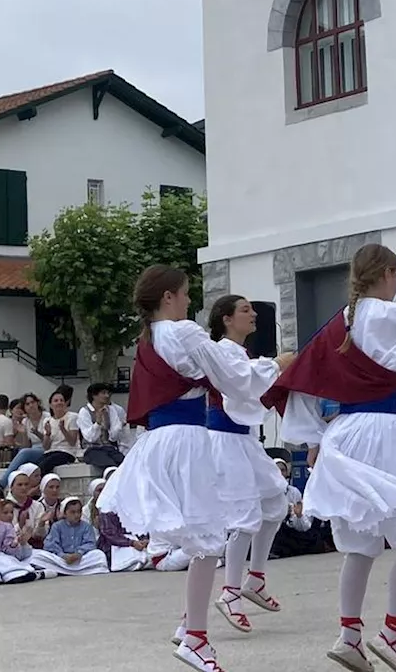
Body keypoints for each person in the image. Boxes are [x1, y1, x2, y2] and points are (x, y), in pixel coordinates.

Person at [269, 242, 396, 672]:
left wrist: (316, 439)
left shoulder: (338, 324)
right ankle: (393, 633)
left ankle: (350, 635)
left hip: (342, 436)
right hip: (381, 432)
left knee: (360, 541)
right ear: (390, 273)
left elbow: (304, 384)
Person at [97, 265, 293, 672]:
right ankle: (195, 636)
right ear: (168, 296)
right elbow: (235, 379)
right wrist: (278, 365)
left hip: (164, 440)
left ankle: (192, 627)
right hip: (184, 440)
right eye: (185, 293)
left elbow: (220, 372)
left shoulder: (151, 337)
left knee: (206, 539)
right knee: (207, 540)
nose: (190, 301)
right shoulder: (182, 332)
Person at [206, 295, 293, 631]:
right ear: (227, 319)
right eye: (245, 309)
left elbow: (252, 383)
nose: (253, 313)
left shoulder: (239, 353)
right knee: (244, 516)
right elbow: (243, 379)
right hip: (226, 440)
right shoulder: (223, 351)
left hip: (242, 439)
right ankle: (229, 591)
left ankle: (254, 578)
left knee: (275, 501)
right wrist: (277, 364)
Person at [0, 489, 36, 586]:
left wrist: (14, 544)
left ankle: (15, 575)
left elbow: (7, 549)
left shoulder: (6, 526)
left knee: (7, 562)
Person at [40, 495, 109, 576]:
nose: (76, 515)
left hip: (81, 560)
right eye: (73, 512)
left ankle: (63, 571)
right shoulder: (57, 526)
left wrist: (79, 553)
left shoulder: (86, 526)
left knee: (99, 554)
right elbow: (50, 545)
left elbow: (90, 544)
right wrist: (63, 556)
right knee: (38, 555)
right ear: (65, 514)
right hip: (62, 560)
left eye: (79, 511)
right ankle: (76, 570)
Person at [79, 383, 128, 471]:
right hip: (91, 449)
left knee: (125, 464)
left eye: (108, 393)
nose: (107, 396)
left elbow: (113, 437)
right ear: (94, 396)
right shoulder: (84, 411)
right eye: (103, 393)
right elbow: (90, 438)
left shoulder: (111, 410)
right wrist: (97, 423)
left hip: (109, 448)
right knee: (109, 466)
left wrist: (119, 426)